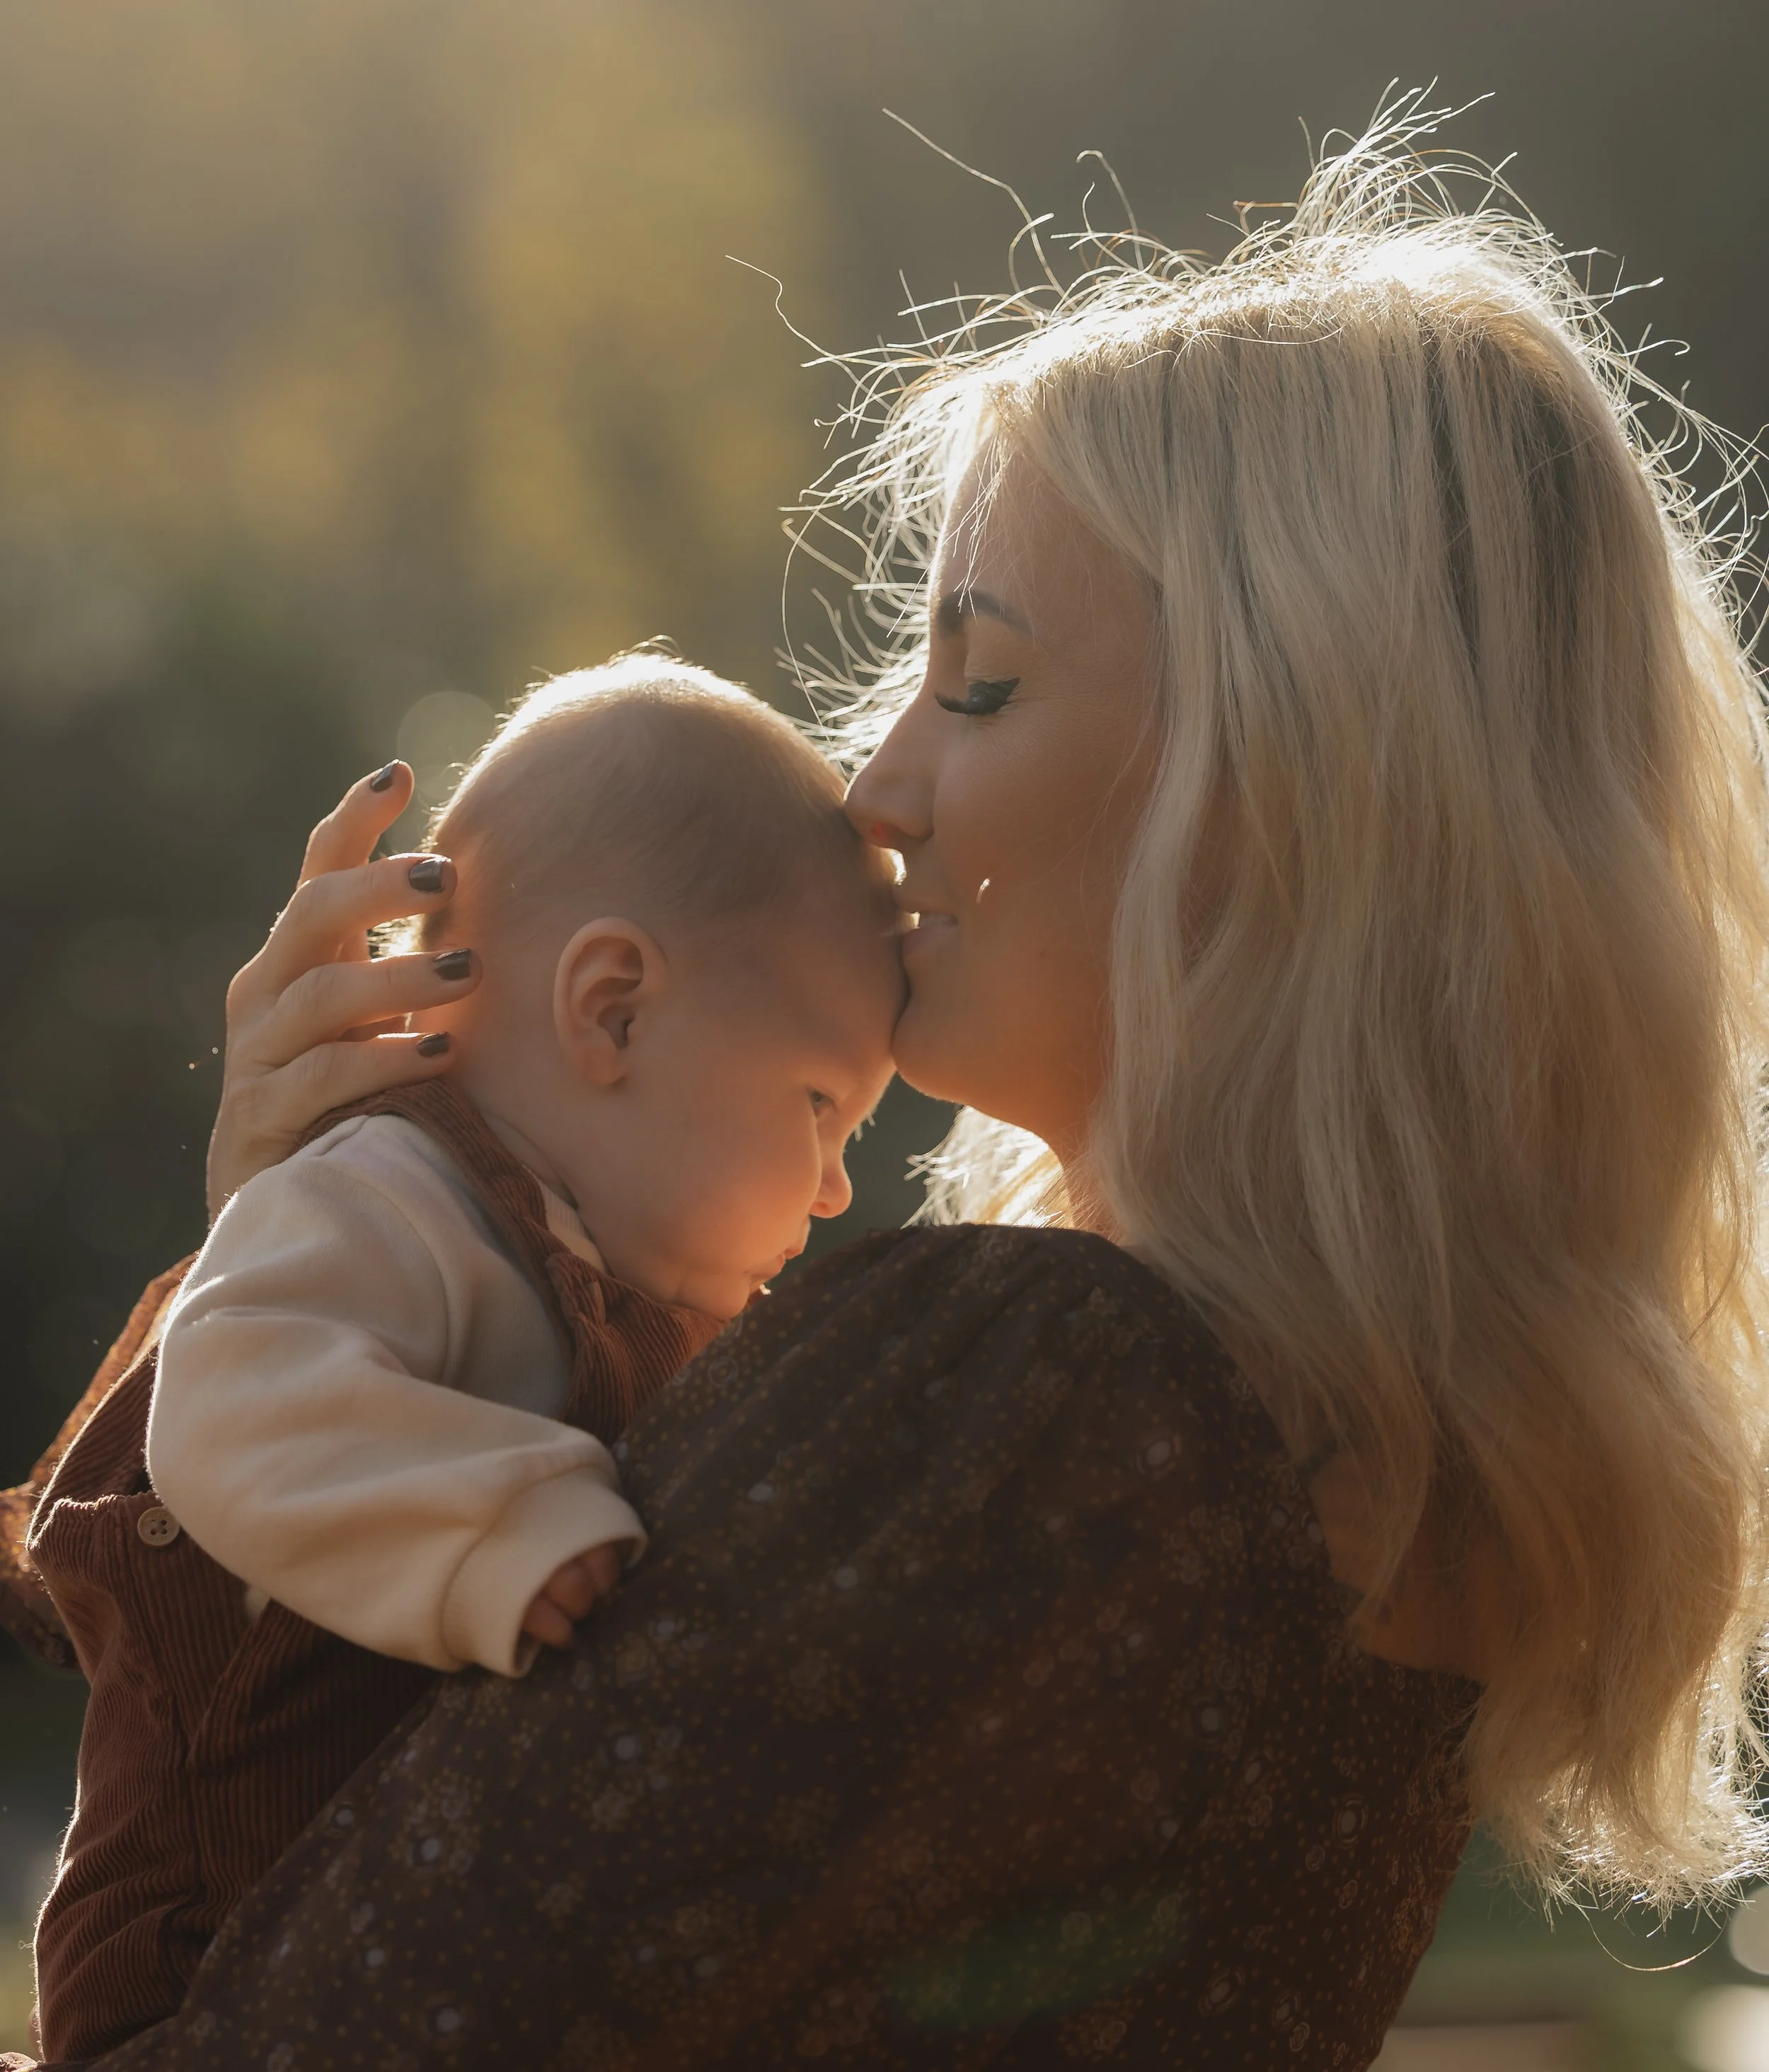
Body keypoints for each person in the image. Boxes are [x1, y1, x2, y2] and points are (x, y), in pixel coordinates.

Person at [6, 104, 1769, 2069]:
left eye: (983, 680)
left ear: (1285, 788)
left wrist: (298, 1264)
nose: (876, 790)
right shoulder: (1392, 1500)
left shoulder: (1038, 1396)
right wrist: (335, 1241)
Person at [18, 657, 901, 2063]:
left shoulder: (623, 1284)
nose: (839, 1186)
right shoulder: (388, 1190)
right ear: (610, 1008)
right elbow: (234, 1394)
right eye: (819, 1107)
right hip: (208, 1975)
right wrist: (503, 1519)